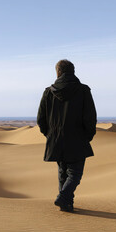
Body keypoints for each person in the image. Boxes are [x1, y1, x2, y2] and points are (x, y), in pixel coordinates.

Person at [37, 59, 97, 212]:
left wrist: (50, 135)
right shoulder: (83, 90)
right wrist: (87, 136)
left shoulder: (49, 92)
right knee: (75, 173)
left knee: (63, 173)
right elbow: (90, 117)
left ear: (58, 72)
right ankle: (64, 198)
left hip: (56, 140)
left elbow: (41, 119)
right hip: (77, 139)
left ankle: (66, 205)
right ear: (73, 71)